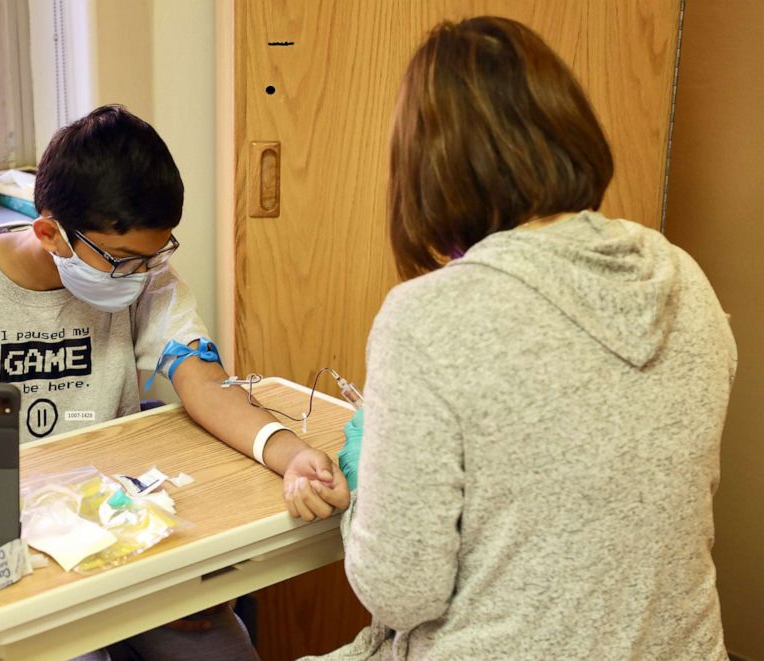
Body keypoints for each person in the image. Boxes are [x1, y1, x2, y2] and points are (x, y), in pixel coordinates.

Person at [310, 16, 737, 660]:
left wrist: (366, 488)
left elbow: (399, 594)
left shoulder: (428, 318)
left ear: (431, 169)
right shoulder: (685, 277)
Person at [0, 104, 350, 660]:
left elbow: (203, 382)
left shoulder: (143, 274)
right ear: (50, 233)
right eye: (124, 259)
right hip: (19, 548)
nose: (142, 274)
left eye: (154, 256)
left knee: (215, 645)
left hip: (125, 525)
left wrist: (289, 452)